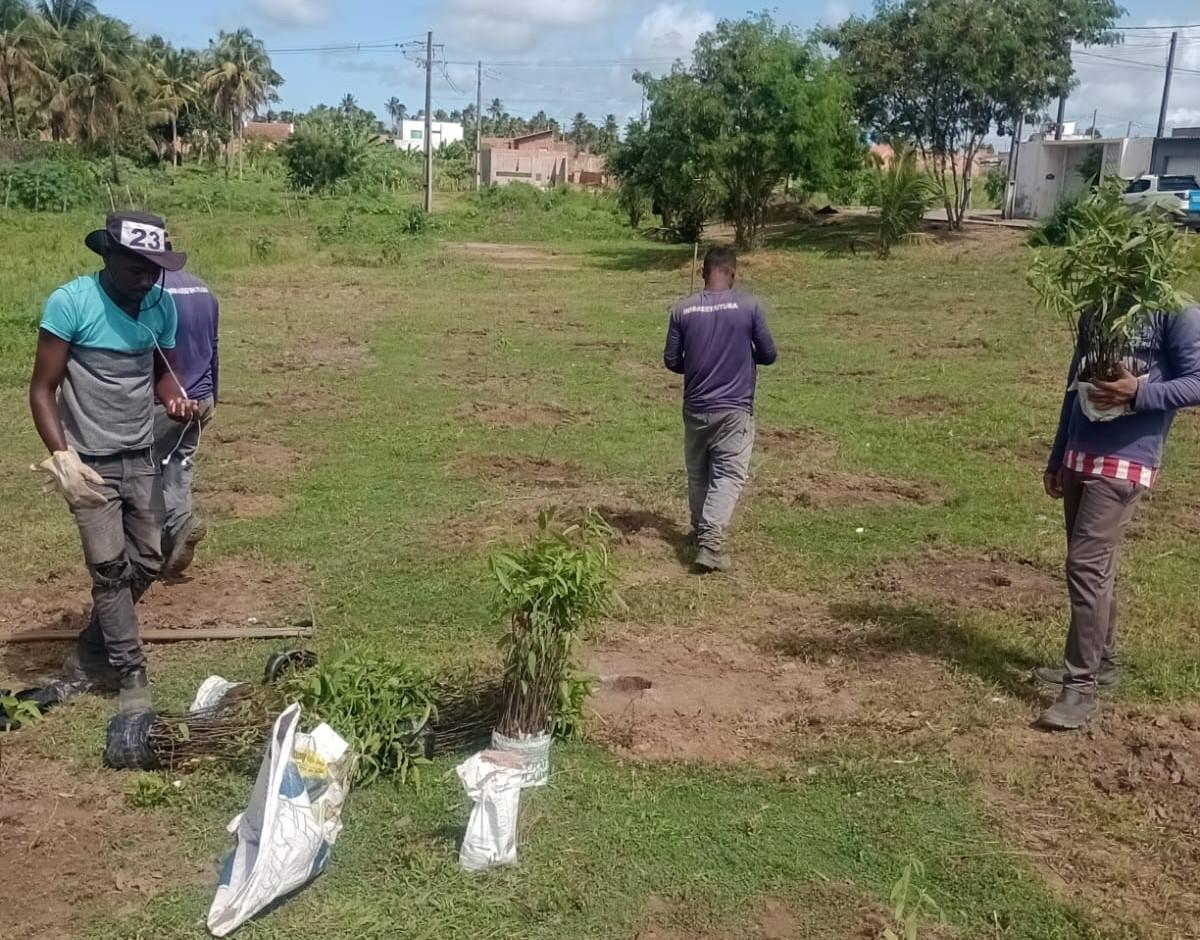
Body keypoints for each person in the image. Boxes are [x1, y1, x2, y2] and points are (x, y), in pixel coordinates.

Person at [29, 212, 197, 714]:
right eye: (136, 269)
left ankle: (88, 652)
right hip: (89, 464)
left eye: (155, 270)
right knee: (108, 570)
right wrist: (63, 456)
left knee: (147, 561)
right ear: (109, 257)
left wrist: (174, 400)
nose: (146, 279)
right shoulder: (72, 302)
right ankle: (131, 672)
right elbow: (42, 389)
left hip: (142, 454)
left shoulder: (160, 306)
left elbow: (163, 375)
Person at [1037, 305, 1200, 730]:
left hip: (1126, 461)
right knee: (1095, 566)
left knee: (1085, 566)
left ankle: (1080, 688)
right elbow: (1074, 389)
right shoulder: (1097, 309)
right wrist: (1058, 456)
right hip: (1079, 455)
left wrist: (1137, 393)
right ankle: (1102, 660)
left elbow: (1197, 380)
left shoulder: (1176, 311)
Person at [663, 245, 777, 572]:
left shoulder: (681, 310)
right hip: (735, 409)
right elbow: (769, 354)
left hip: (695, 408)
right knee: (727, 475)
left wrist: (700, 363)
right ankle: (710, 544)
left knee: (699, 473)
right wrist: (740, 357)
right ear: (733, 275)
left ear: (703, 273)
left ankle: (700, 531)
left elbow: (672, 361)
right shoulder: (749, 306)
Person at [154, 265, 219, 577]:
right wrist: (213, 394)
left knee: (145, 469)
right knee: (178, 465)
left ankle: (159, 539)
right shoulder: (203, 288)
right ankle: (177, 531)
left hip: (168, 402)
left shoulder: (151, 292)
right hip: (201, 397)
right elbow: (214, 346)